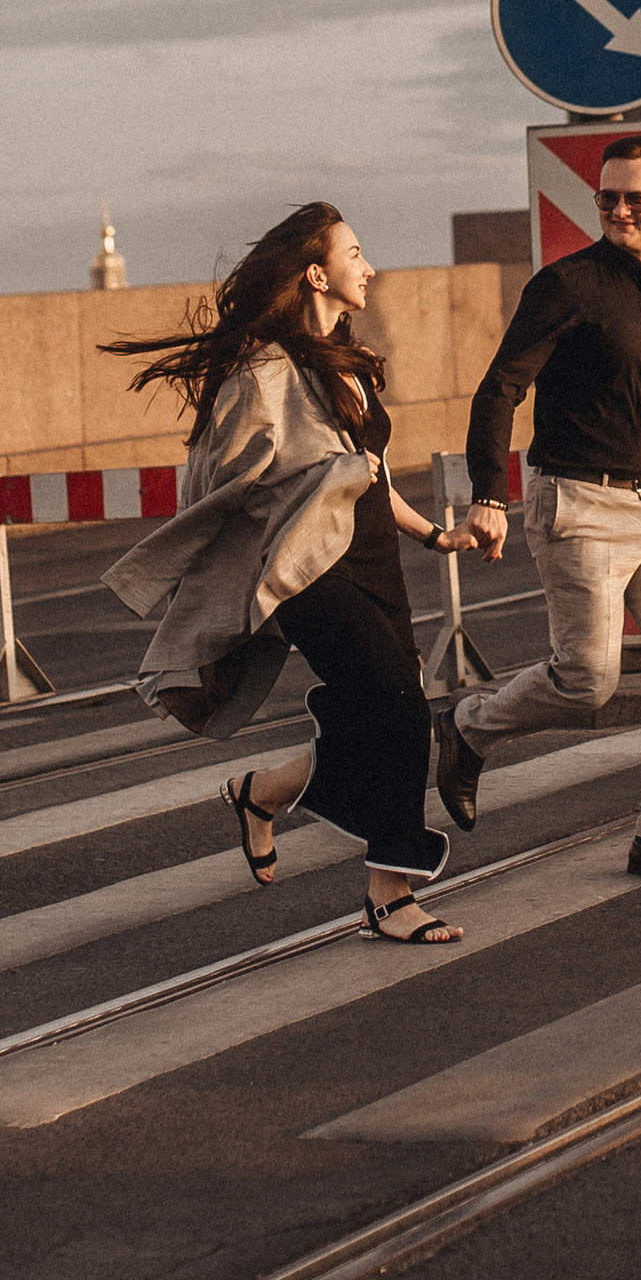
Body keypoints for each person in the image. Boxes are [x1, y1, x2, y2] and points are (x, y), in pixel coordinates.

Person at [102, 200, 483, 946]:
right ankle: (390, 893)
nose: (368, 267)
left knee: (381, 709)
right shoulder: (264, 369)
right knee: (398, 706)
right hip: (313, 566)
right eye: (355, 253)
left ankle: (262, 793)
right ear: (317, 273)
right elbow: (219, 479)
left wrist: (432, 534)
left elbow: (363, 472)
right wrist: (236, 547)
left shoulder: (343, 357)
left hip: (369, 552)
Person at [436, 131, 641, 885]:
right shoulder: (566, 286)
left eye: (635, 198)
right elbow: (499, 388)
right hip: (579, 504)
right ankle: (467, 728)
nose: (620, 210)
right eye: (608, 198)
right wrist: (488, 493)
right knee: (586, 680)